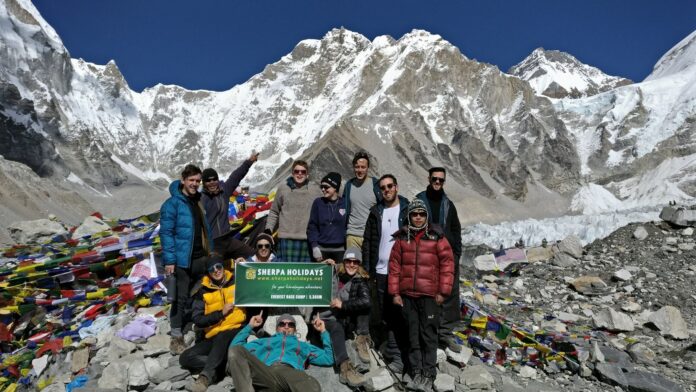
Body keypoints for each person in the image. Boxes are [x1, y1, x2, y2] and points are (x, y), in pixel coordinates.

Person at [389, 199, 454, 391]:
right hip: (407, 295)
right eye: (414, 214)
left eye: (422, 214)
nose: (418, 217)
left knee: (428, 335)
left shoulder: (437, 237)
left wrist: (443, 292)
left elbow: (448, 265)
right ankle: (415, 371)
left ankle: (428, 373)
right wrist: (394, 293)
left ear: (427, 216)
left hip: (429, 296)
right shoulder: (402, 239)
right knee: (412, 335)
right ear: (409, 216)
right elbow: (394, 268)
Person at [160, 164, 214, 355]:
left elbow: (204, 229)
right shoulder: (172, 204)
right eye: (191, 180)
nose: (195, 184)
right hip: (182, 259)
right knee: (180, 296)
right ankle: (176, 335)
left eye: (198, 181)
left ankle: (196, 324)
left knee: (199, 292)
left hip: (200, 256)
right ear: (183, 180)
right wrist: (169, 260)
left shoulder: (198, 200)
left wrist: (211, 252)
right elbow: (166, 233)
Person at [361, 174, 409, 372]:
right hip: (380, 271)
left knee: (399, 313)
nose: (387, 190)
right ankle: (391, 349)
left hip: (401, 271)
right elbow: (368, 241)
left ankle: (398, 355)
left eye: (390, 186)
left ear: (396, 187)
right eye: (383, 188)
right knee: (385, 313)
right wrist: (368, 268)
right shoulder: (376, 212)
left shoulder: (407, 210)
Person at [180, 256, 245, 392]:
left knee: (222, 336)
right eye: (212, 269)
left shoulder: (237, 280)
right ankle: (222, 365)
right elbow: (197, 319)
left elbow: (255, 284)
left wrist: (244, 266)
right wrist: (220, 313)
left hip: (235, 328)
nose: (216, 271)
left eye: (219, 267)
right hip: (213, 334)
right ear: (208, 272)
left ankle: (205, 377)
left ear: (223, 267)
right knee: (185, 358)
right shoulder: (202, 292)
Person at [415, 167, 463, 352]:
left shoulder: (448, 204)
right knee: (426, 294)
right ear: (429, 178)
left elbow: (455, 229)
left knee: (449, 293)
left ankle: (445, 334)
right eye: (434, 178)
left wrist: (456, 254)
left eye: (440, 180)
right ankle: (428, 334)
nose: (437, 182)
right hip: (425, 256)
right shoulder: (419, 200)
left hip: (446, 256)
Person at [226, 313, 333, 392]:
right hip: (265, 372)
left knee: (312, 386)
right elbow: (234, 350)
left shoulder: (303, 345)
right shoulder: (262, 341)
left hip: (291, 373)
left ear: (295, 330)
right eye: (282, 324)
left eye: (290, 324)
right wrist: (250, 326)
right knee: (236, 351)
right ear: (277, 328)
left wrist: (323, 331)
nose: (286, 326)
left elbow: (328, 358)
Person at [320, 247, 371, 387]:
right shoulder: (332, 270)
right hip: (325, 318)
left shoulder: (359, 280)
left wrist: (342, 305)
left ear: (359, 264)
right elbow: (310, 278)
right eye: (349, 261)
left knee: (364, 305)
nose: (352, 265)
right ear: (343, 262)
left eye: (356, 262)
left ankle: (361, 338)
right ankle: (345, 369)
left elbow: (366, 301)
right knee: (335, 327)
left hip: (344, 318)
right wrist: (321, 265)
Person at [201, 152, 259, 261]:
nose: (212, 182)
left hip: (227, 239)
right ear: (203, 183)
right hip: (213, 244)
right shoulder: (200, 198)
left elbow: (236, 176)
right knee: (216, 269)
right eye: (208, 180)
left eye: (214, 179)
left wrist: (249, 162)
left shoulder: (225, 191)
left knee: (253, 256)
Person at [265, 160, 321, 262]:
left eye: (303, 172)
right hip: (286, 239)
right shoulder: (283, 188)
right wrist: (268, 230)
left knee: (305, 275)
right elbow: (274, 211)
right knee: (286, 275)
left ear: (307, 174)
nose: (300, 174)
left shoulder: (315, 190)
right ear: (292, 173)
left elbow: (322, 211)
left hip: (307, 239)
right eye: (297, 171)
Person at [343, 151, 381, 249]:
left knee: (368, 264)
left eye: (363, 167)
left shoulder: (376, 184)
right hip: (352, 235)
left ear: (368, 168)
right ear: (353, 167)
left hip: (370, 236)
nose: (360, 170)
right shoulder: (349, 185)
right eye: (357, 167)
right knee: (351, 264)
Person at [307, 172, 346, 263]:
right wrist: (314, 247)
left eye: (326, 187)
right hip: (321, 250)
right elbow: (312, 226)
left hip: (341, 250)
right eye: (322, 187)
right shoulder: (318, 203)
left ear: (335, 187)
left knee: (339, 277)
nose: (323, 189)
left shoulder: (345, 203)